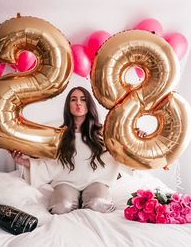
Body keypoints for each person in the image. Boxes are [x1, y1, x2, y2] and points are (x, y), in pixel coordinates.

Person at [11, 86, 145, 215]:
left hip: (96, 182)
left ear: (89, 104)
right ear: (68, 105)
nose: (78, 103)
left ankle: (88, 199)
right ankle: (74, 199)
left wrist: (135, 139)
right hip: (66, 183)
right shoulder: (58, 135)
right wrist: (24, 162)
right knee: (60, 207)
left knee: (98, 203)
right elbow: (50, 163)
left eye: (83, 99)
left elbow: (120, 152)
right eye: (73, 99)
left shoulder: (105, 132)